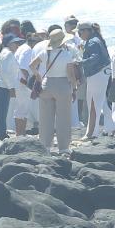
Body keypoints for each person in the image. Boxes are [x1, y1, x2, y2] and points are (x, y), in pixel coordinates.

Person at [32, 26, 78, 155]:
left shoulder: (44, 53)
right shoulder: (66, 54)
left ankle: (45, 146)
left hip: (47, 85)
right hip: (62, 86)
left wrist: (38, 76)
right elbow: (71, 75)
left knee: (46, 118)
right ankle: (63, 147)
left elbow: (32, 65)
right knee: (63, 118)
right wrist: (74, 88)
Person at [0, 30, 23, 140]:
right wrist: (11, 87)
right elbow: (5, 73)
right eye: (15, 43)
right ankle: (0, 134)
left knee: (2, 111)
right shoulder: (7, 53)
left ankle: (0, 133)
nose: (17, 45)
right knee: (2, 112)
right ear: (9, 43)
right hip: (2, 86)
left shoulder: (5, 52)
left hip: (0, 85)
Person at [80, 22, 111, 139]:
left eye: (80, 32)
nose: (79, 35)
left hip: (96, 75)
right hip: (102, 74)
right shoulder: (97, 39)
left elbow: (95, 57)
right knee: (99, 102)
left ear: (86, 31)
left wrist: (80, 62)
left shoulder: (92, 42)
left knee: (94, 103)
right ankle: (105, 128)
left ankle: (92, 133)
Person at [13, 23, 40, 136]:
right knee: (22, 111)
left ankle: (20, 134)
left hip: (18, 81)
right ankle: (20, 134)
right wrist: (29, 83)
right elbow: (24, 68)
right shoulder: (28, 50)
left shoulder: (22, 47)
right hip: (22, 83)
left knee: (20, 110)